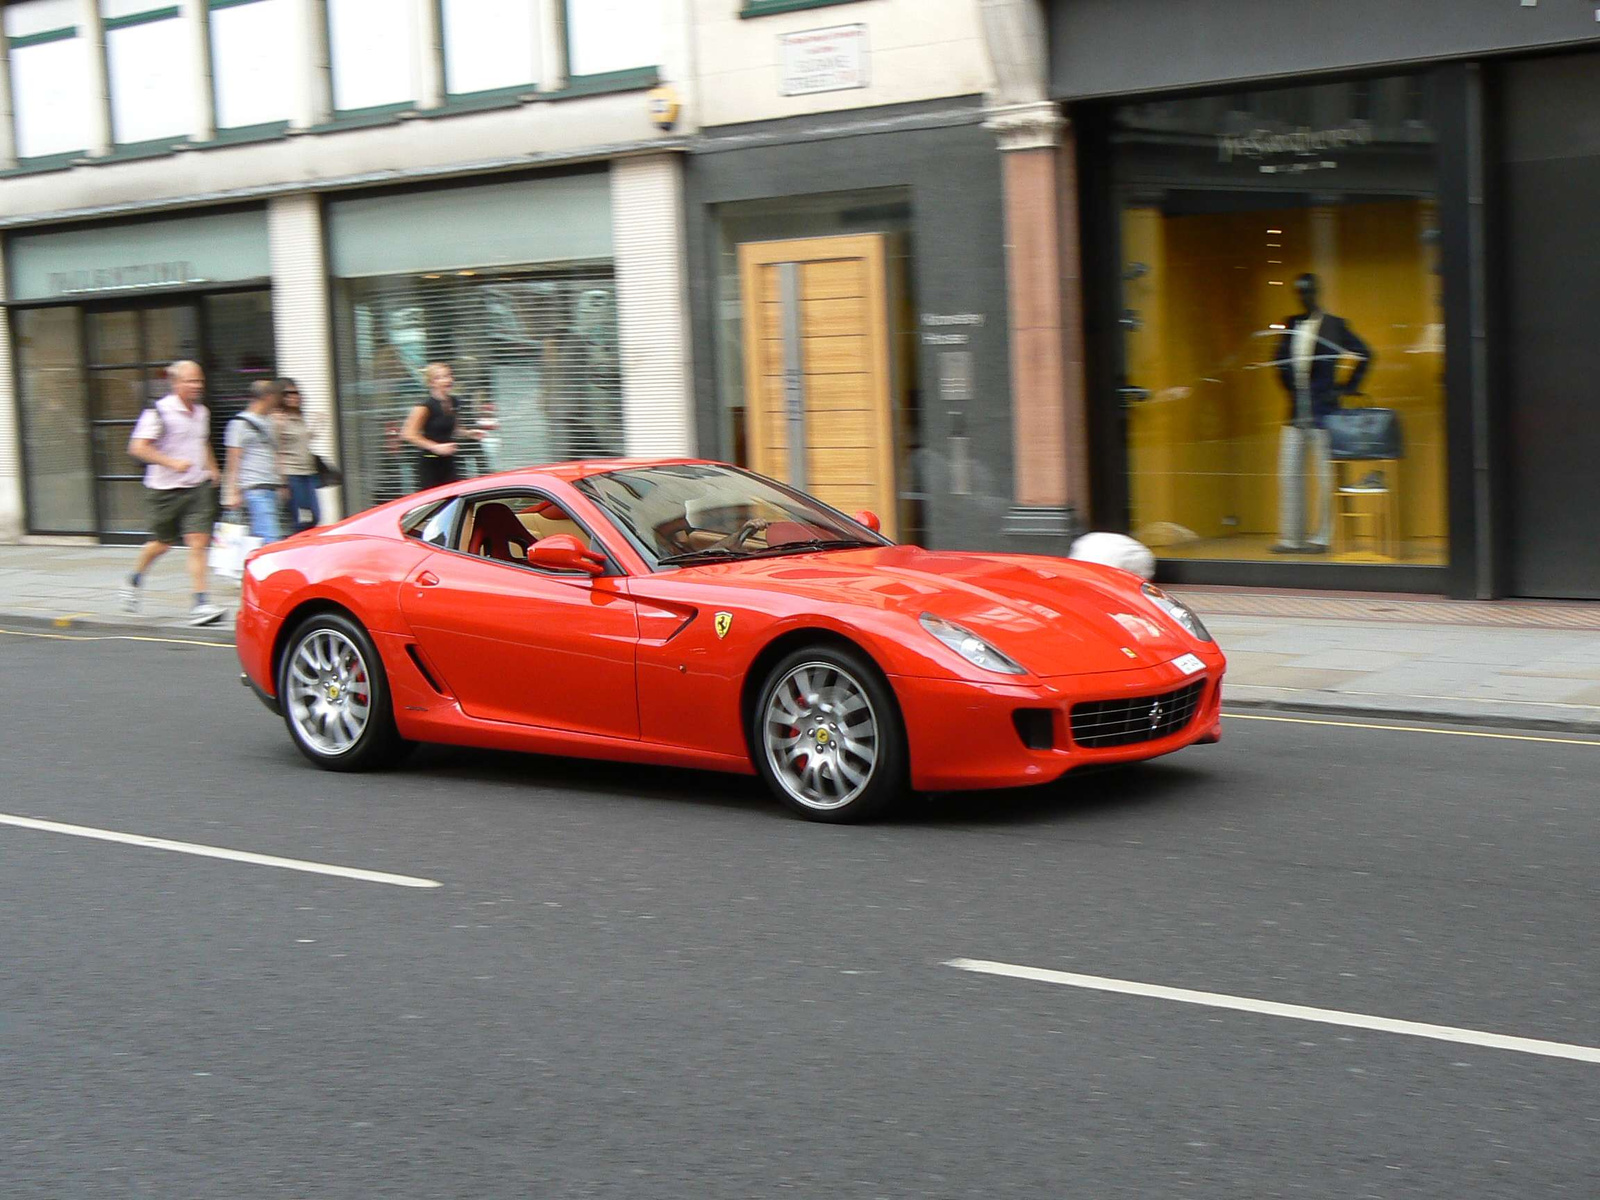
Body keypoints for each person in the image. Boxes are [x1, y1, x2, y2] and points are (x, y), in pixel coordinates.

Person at [1271, 272, 1372, 553]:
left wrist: (1346, 387)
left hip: (1325, 411)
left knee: (1326, 476)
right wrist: (1288, 384)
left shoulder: (1334, 325)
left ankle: (1322, 537)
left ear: (1317, 292)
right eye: (1299, 292)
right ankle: (1291, 537)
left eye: (1308, 291)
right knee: (1289, 474)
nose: (1303, 297)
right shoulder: (1291, 324)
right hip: (1295, 410)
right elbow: (1279, 360)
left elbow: (1365, 353)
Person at [120, 360, 225, 626]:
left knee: (198, 544)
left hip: (196, 487)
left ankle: (201, 603)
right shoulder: (159, 411)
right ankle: (133, 579)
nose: (197, 386)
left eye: (199, 381)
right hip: (164, 491)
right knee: (162, 544)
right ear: (176, 383)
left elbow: (202, 441)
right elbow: (138, 448)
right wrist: (172, 463)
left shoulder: (202, 412)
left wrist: (213, 469)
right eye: (191, 381)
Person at [222, 380, 287, 543]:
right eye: (275, 396)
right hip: (254, 488)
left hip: (271, 488)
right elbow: (233, 460)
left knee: (260, 537)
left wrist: (282, 482)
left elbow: (275, 454)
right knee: (271, 537)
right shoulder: (239, 424)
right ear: (267, 397)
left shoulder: (271, 422)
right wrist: (232, 493)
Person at [401, 362, 480, 491]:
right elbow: (408, 434)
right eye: (440, 377)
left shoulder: (454, 401)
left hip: (449, 460)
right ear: (431, 383)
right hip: (430, 462)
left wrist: (469, 433)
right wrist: (435, 447)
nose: (447, 380)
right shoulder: (425, 406)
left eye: (448, 376)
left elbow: (454, 428)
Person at [275, 377, 322, 532]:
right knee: (299, 517)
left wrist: (316, 425)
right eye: (289, 393)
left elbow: (302, 440)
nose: (294, 396)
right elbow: (277, 451)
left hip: (309, 473)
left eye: (296, 393)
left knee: (316, 515)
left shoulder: (300, 417)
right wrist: (282, 482)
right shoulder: (279, 419)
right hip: (292, 474)